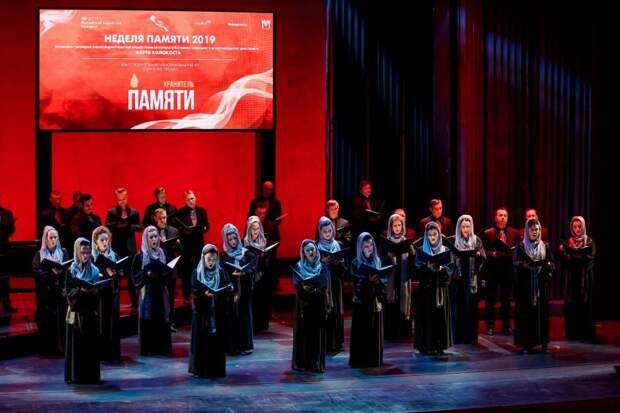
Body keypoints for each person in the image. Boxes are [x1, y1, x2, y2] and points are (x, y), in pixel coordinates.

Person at [189, 244, 233, 378]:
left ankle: (216, 370)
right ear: (203, 258)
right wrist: (204, 294)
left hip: (217, 313)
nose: (211, 262)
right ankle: (201, 370)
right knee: (202, 341)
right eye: (209, 259)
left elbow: (227, 287)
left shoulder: (222, 272)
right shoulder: (197, 273)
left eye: (214, 259)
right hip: (202, 314)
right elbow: (195, 289)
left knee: (216, 342)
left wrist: (229, 289)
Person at [414, 222, 455, 356]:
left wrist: (441, 269)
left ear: (439, 235)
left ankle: (440, 345)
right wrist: (427, 268)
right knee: (426, 318)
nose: (432, 237)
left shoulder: (444, 250)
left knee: (439, 318)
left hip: (440, 290)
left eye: (435, 234)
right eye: (430, 235)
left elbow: (450, 270)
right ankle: (426, 345)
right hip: (426, 292)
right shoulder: (421, 250)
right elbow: (416, 271)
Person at [513, 218, 554, 353]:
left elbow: (551, 263)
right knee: (526, 315)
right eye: (532, 230)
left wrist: (547, 266)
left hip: (540, 286)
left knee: (541, 314)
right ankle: (526, 344)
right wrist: (524, 265)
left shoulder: (545, 246)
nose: (535, 232)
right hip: (525, 287)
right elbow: (515, 262)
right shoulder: (521, 246)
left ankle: (543, 344)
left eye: (537, 229)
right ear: (527, 231)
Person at [64, 238, 101, 384]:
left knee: (90, 347)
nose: (85, 256)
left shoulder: (95, 270)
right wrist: (81, 291)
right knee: (77, 347)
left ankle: (91, 375)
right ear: (77, 253)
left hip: (90, 313)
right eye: (82, 253)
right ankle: (76, 376)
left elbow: (98, 292)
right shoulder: (71, 270)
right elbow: (67, 292)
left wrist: (94, 291)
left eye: (88, 252)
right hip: (76, 314)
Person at [131, 226, 173, 355]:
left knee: (162, 316)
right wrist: (146, 274)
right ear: (146, 239)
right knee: (147, 317)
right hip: (148, 290)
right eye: (151, 237)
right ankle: (148, 348)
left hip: (161, 290)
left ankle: (162, 347)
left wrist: (163, 273)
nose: (154, 239)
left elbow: (169, 272)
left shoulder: (163, 253)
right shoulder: (140, 255)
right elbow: (135, 275)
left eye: (155, 236)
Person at [291, 239, 329, 373]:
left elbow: (325, 282)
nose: (311, 252)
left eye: (312, 249)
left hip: (318, 303)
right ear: (304, 253)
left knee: (317, 334)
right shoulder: (298, 266)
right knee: (304, 333)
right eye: (308, 250)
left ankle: (316, 363)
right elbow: (296, 284)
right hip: (304, 304)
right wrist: (304, 288)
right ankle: (304, 363)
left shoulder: (323, 266)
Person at [349, 232, 385, 368]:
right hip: (362, 304)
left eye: (371, 245)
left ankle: (374, 359)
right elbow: (356, 283)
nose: (369, 248)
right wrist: (368, 281)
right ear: (360, 248)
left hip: (375, 302)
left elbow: (382, 282)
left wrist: (378, 282)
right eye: (366, 246)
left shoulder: (377, 260)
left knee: (374, 331)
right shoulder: (355, 263)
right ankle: (362, 360)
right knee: (362, 333)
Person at [482, 207, 520, 336]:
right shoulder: (488, 233)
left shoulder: (514, 233)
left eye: (505, 215)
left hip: (507, 269)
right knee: (491, 299)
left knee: (506, 300)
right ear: (495, 218)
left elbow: (517, 249)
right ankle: (490, 326)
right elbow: (483, 250)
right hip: (493, 269)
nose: (503, 217)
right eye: (500, 215)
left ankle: (506, 326)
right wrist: (492, 253)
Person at [32, 226, 70, 355]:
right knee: (48, 322)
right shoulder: (40, 254)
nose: (53, 240)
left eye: (55, 237)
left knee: (61, 321)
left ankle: (62, 348)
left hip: (60, 293)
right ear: (46, 239)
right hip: (47, 295)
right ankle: (49, 349)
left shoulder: (63, 252)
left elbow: (69, 269)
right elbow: (36, 271)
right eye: (51, 237)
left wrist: (61, 271)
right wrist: (50, 273)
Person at [220, 223, 257, 355]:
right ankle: (233, 346)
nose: (233, 242)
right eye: (230, 239)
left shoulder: (246, 253)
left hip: (244, 289)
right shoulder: (224, 255)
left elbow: (253, 266)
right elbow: (221, 271)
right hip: (231, 291)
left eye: (235, 238)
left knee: (244, 316)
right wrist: (232, 274)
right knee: (232, 316)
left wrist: (244, 272)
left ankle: (245, 345)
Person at [450, 215, 486, 344]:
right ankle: (457, 337)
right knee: (458, 307)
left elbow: (483, 258)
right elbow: (448, 260)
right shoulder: (454, 240)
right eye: (463, 227)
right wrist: (454, 258)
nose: (466, 229)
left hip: (471, 279)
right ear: (459, 228)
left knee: (470, 307)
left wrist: (478, 255)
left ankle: (470, 337)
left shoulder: (477, 240)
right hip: (458, 279)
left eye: (468, 226)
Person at [560, 216, 596, 341]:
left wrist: (577, 256)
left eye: (580, 226)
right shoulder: (568, 242)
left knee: (584, 305)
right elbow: (564, 263)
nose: (577, 229)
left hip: (584, 278)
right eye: (575, 227)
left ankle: (585, 334)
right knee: (572, 305)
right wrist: (563, 253)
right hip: (571, 279)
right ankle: (573, 334)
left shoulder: (589, 241)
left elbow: (590, 259)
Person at [105, 187, 141, 308]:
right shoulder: (112, 212)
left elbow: (139, 227)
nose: (122, 202)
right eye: (120, 200)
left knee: (132, 276)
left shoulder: (134, 212)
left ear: (127, 198)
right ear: (116, 199)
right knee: (117, 277)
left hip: (130, 249)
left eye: (124, 199)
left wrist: (129, 226)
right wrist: (119, 225)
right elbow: (108, 225)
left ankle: (135, 303)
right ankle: (115, 304)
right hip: (117, 249)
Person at [383, 213, 415, 340]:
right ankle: (390, 332)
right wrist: (388, 256)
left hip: (403, 278)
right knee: (392, 303)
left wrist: (412, 253)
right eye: (395, 225)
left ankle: (403, 332)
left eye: (399, 225)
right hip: (391, 279)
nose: (397, 228)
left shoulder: (406, 242)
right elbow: (380, 261)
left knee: (402, 301)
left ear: (403, 226)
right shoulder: (386, 242)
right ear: (391, 227)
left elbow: (413, 264)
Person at [316, 216, 346, 352]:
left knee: (336, 311)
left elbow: (344, 270)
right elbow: (312, 269)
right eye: (324, 231)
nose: (327, 234)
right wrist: (322, 263)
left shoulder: (339, 245)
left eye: (329, 231)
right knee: (325, 311)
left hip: (335, 283)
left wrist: (337, 263)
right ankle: (325, 343)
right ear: (320, 232)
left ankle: (336, 343)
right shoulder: (316, 247)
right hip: (323, 284)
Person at [92, 226, 121, 362]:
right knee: (99, 324)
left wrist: (115, 273)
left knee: (111, 323)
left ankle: (112, 352)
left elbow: (120, 272)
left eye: (106, 240)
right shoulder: (92, 257)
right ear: (96, 242)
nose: (105, 242)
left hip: (111, 294)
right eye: (102, 240)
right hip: (98, 296)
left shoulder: (114, 255)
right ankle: (100, 353)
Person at [174, 190, 210, 303]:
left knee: (199, 269)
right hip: (186, 245)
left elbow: (207, 225)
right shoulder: (180, 212)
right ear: (185, 201)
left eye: (192, 198)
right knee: (186, 271)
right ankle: (186, 295)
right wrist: (183, 231)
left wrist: (204, 228)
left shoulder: (202, 211)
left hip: (198, 245)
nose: (191, 201)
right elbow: (177, 228)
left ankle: (198, 293)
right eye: (189, 199)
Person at [243, 215, 276, 332]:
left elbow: (270, 263)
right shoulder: (245, 243)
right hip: (250, 276)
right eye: (253, 229)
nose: (255, 231)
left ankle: (262, 323)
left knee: (262, 299)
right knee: (252, 300)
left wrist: (264, 257)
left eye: (257, 229)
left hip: (262, 276)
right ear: (249, 229)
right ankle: (253, 324)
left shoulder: (265, 242)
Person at [154, 208, 182, 329]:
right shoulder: (152, 231)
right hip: (157, 269)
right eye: (160, 218)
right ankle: (159, 322)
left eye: (164, 218)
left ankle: (171, 322)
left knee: (170, 297)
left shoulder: (173, 231)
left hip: (170, 268)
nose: (163, 220)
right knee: (158, 297)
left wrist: (178, 244)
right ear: (155, 218)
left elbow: (180, 251)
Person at [0, 199, 16, 314]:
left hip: (4, 248)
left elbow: (11, 230)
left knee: (5, 278)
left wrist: (3, 233)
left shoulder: (7, 213)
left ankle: (6, 304)